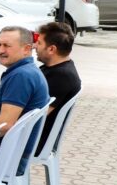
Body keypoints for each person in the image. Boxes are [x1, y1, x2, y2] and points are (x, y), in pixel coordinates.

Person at [0, 26, 50, 172]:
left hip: (5, 157)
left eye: (7, 46)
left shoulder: (21, 76)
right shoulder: (26, 70)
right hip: (10, 152)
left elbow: (4, 124)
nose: (1, 51)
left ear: (26, 49)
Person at [34, 21, 82, 151]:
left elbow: (35, 116)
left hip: (36, 140)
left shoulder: (62, 76)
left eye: (39, 43)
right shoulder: (54, 68)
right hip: (32, 135)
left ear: (51, 49)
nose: (34, 46)